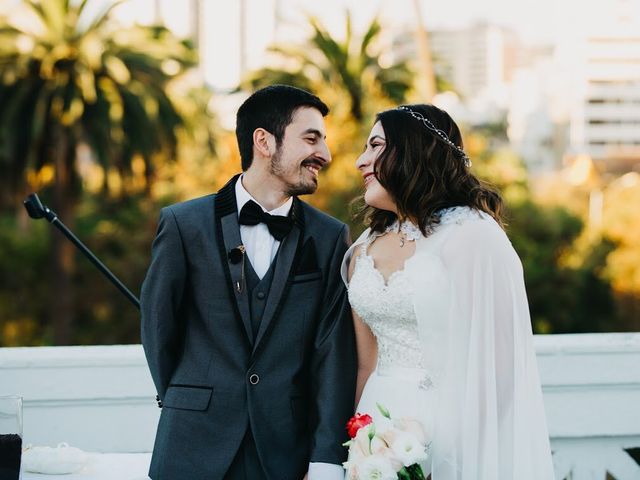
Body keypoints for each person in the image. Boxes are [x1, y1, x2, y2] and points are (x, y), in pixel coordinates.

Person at [141, 85, 356, 480]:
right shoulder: (183, 225)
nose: (324, 154)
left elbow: (333, 357)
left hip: (284, 454)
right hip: (191, 447)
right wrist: (191, 398)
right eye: (311, 138)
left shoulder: (329, 238)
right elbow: (159, 329)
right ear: (264, 141)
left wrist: (326, 457)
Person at [342, 104, 555, 479]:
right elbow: (366, 362)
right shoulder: (364, 248)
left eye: (375, 146)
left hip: (450, 430)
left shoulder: (472, 236)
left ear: (413, 152)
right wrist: (361, 439)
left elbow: (501, 369)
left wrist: (456, 450)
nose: (362, 161)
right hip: (377, 429)